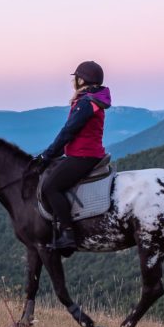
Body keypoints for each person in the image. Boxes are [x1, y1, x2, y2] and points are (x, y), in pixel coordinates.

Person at [30, 61, 112, 255]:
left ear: (82, 80)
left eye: (75, 77)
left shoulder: (86, 103)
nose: (73, 81)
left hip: (83, 156)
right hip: (85, 153)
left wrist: (46, 155)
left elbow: (68, 132)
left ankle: (67, 234)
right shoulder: (91, 100)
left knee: (50, 186)